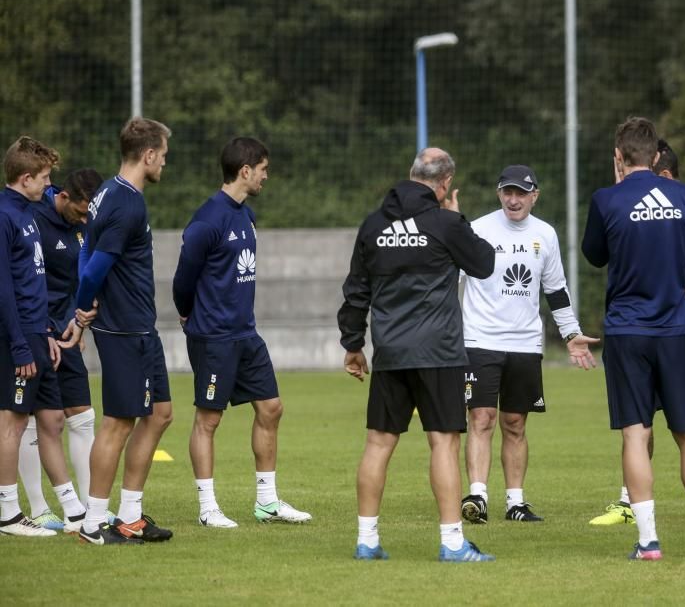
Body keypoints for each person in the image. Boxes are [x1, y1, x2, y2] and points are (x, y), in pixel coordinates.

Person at [581, 117, 685, 560]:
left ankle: (649, 541)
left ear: (618, 156)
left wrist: (617, 194)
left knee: (636, 434)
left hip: (627, 332)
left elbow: (594, 256)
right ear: (655, 157)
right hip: (677, 329)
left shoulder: (606, 199)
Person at [337, 147, 497, 562]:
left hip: (391, 353)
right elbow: (483, 264)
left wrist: (353, 345)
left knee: (377, 443)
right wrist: (459, 219)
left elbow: (356, 290)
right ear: (445, 184)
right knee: (443, 443)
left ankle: (367, 541)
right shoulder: (446, 223)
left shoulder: (373, 226)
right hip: (439, 352)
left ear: (411, 175)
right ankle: (452, 543)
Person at [173, 137, 310, 528]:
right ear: (245, 170)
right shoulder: (207, 220)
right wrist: (187, 315)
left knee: (271, 408)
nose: (266, 176)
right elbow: (183, 280)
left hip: (246, 334)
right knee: (208, 420)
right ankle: (207, 508)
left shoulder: (246, 216)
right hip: (213, 336)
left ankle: (267, 503)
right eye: (263, 169)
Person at [459, 165, 598, 525]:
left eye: (521, 193)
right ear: (498, 193)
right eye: (507, 192)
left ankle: (515, 503)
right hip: (480, 339)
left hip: (524, 343)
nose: (513, 199)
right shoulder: (477, 229)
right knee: (482, 417)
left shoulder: (545, 235)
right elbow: (449, 279)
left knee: (516, 422)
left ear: (534, 196)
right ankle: (477, 496)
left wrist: (572, 336)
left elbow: (556, 290)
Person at [60, 118, 175, 545]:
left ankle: (129, 516)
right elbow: (94, 266)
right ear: (147, 155)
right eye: (162, 155)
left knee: (160, 414)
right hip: (126, 330)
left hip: (140, 326)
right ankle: (92, 522)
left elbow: (85, 248)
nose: (165, 162)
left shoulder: (108, 190)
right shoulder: (128, 204)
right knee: (118, 425)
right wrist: (83, 304)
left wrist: (86, 302)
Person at [0, 136, 87, 536]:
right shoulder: (4, 215)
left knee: (51, 420)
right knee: (13, 424)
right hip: (16, 339)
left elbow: (33, 282)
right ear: (25, 178)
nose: (49, 185)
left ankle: (74, 510)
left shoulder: (28, 215)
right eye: (45, 178)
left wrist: (47, 333)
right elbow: (4, 289)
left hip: (40, 334)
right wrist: (20, 344)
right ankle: (7, 513)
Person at [17, 169, 103, 530]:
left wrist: (77, 318)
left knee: (82, 416)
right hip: (34, 330)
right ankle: (39, 508)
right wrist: (44, 328)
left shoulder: (85, 225)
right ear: (64, 197)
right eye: (81, 212)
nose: (85, 220)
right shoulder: (32, 217)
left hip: (65, 332)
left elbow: (79, 281)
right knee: (36, 422)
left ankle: (90, 508)